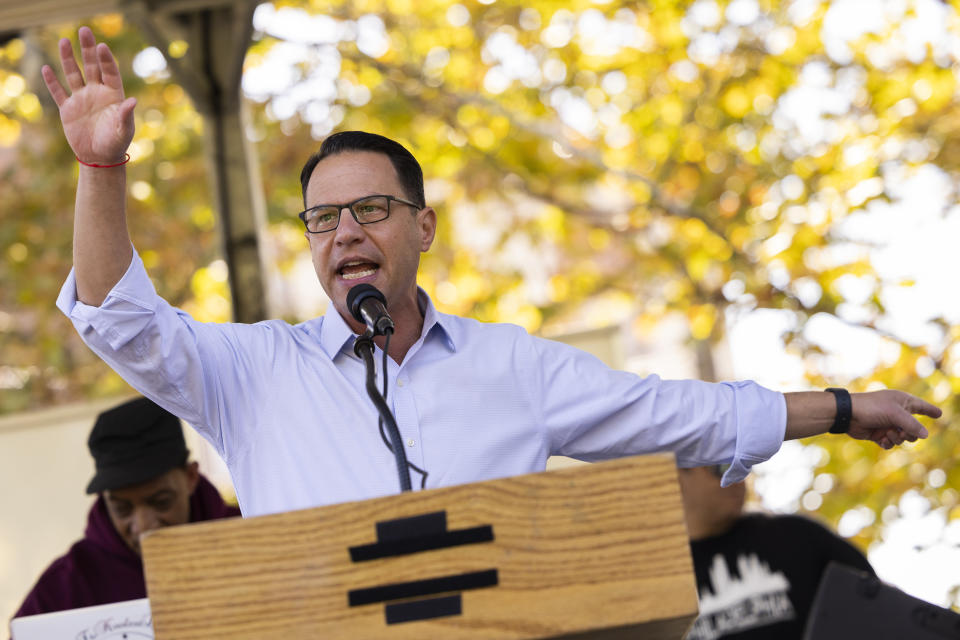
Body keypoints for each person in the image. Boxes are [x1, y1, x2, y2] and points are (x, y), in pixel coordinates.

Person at [40, 27, 941, 518]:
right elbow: (123, 319)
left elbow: (682, 414)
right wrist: (101, 173)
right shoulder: (253, 374)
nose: (344, 232)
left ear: (424, 227)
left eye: (370, 210)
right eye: (322, 218)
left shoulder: (511, 366)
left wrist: (844, 409)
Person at [12, 397, 240, 618]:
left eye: (161, 502)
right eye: (122, 509)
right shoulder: (67, 584)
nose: (143, 526)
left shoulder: (248, 536)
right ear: (105, 500)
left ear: (190, 477)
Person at [678, 465, 874, 639]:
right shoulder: (659, 579)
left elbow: (878, 609)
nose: (737, 475)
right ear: (676, 477)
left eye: (743, 463)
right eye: (722, 467)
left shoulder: (800, 538)